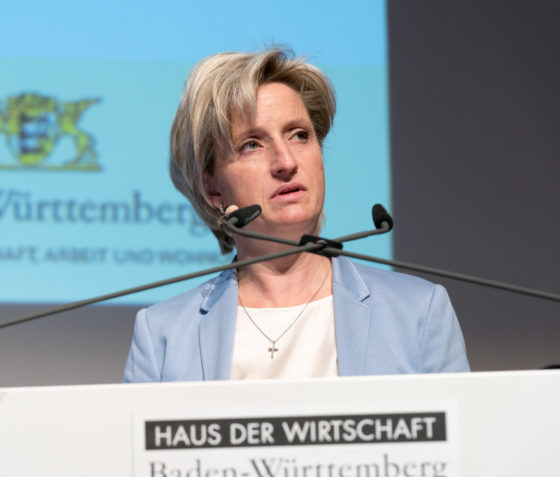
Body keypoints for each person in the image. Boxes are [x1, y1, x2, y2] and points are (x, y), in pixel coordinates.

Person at [123, 48, 468, 382]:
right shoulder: (162, 336)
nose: (287, 162)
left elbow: (460, 438)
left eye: (300, 135)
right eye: (252, 144)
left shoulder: (418, 312)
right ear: (212, 187)